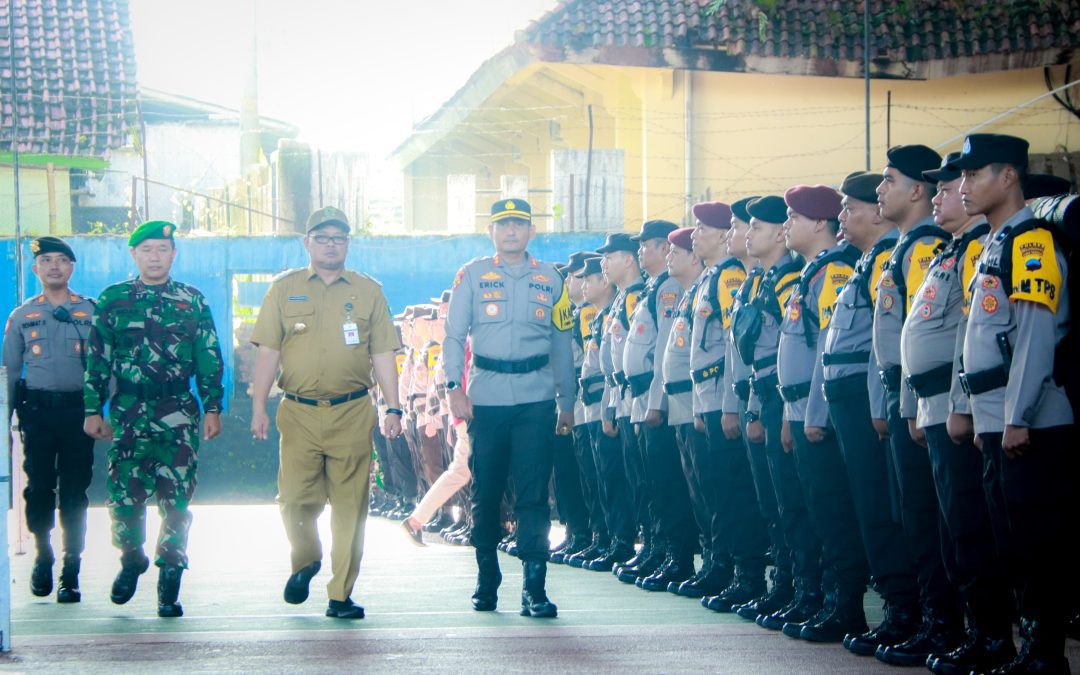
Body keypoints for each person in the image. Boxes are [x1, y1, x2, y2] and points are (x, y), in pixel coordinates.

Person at [955, 134, 1073, 673]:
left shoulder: (1030, 244)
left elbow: (1034, 333)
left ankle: (1046, 654)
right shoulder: (994, 245)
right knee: (1010, 541)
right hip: (998, 417)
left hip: (1031, 422)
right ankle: (1028, 648)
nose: (964, 186)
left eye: (975, 174)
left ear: (1007, 177)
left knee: (1035, 543)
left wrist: (1017, 415)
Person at [250, 206, 402, 620]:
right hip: (297, 412)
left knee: (351, 506)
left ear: (348, 244)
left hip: (352, 410)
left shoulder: (369, 291)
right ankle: (307, 557)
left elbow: (383, 352)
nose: (330, 245)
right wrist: (258, 406)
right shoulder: (284, 289)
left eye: (338, 238)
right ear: (307, 243)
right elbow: (268, 351)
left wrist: (394, 406)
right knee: (295, 500)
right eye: (322, 238)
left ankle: (340, 594)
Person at [898, 152, 1015, 675]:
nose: (947, 195)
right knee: (947, 529)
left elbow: (969, 337)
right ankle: (958, 628)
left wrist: (960, 408)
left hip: (959, 409)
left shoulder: (976, 252)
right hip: (935, 406)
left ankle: (986, 635)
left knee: (968, 529)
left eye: (950, 187)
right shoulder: (952, 251)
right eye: (946, 187)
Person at [83, 220, 224, 618]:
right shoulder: (113, 300)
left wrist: (213, 407)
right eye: (147, 250)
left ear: (173, 254)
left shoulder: (191, 301)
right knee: (124, 498)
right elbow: (97, 360)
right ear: (134, 255)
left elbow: (208, 357)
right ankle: (131, 558)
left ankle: (170, 578)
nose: (155, 257)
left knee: (176, 499)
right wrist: (93, 409)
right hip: (128, 411)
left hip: (177, 410)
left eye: (162, 249)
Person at [442, 198, 575, 618]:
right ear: (492, 232)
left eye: (519, 224)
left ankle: (534, 588)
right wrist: (452, 387)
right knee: (487, 492)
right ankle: (487, 579)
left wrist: (566, 400)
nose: (511, 231)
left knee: (534, 495)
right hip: (488, 399)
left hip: (536, 399)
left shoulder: (551, 279)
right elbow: (453, 336)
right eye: (503, 225)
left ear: (531, 231)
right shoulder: (473, 276)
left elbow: (562, 344)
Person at [816, 172, 920, 646]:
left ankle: (903, 610)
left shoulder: (886, 260)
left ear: (876, 214)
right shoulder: (867, 261)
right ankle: (869, 606)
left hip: (868, 400)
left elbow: (888, 343)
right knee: (857, 505)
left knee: (880, 507)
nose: (842, 217)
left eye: (851, 208)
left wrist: (880, 404)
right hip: (849, 398)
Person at [871, 145, 962, 664]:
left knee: (930, 518)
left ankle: (941, 622)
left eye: (889, 181)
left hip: (928, 398)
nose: (882, 190)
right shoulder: (912, 247)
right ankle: (927, 618)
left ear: (917, 192)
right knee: (913, 514)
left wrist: (905, 404)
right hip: (905, 396)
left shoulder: (926, 246)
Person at [774, 186, 867, 640]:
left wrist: (811, 413)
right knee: (811, 510)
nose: (786, 226)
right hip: (797, 407)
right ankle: (818, 597)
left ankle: (843, 604)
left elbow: (829, 354)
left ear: (818, 224)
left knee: (832, 511)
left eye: (794, 217)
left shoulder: (833, 273)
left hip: (821, 412)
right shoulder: (810, 272)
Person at [3, 236, 96, 603]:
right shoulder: (22, 315)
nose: (54, 266)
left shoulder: (91, 312)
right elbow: (9, 373)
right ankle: (43, 553)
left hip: (79, 413)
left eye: (61, 260)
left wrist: (100, 413)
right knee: (38, 487)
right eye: (46, 260)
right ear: (35, 268)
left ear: (72, 267)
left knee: (75, 490)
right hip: (38, 414)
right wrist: (3, 427)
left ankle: (71, 568)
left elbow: (104, 370)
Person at [690, 200, 771, 613]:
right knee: (719, 491)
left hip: (731, 397)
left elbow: (731, 347)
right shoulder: (717, 278)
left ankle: (746, 573)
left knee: (735, 492)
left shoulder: (730, 277)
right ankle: (731, 567)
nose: (694, 235)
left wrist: (728, 406)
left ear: (723, 234)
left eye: (702, 228)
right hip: (713, 398)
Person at [623, 219, 698, 592]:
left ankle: (677, 555)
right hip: (640, 400)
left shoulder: (668, 288)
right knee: (651, 484)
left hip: (661, 404)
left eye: (647, 245)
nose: (642, 251)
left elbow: (665, 349)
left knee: (667, 485)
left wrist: (655, 404)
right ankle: (658, 548)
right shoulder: (654, 287)